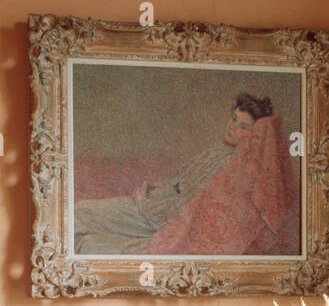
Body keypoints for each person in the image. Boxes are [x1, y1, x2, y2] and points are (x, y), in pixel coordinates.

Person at [72, 93, 291, 255]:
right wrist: (156, 189)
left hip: (158, 217)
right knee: (80, 215)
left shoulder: (231, 167)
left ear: (255, 137)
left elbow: (182, 209)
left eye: (243, 126)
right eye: (233, 118)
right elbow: (184, 181)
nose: (232, 127)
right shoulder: (222, 150)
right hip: (158, 203)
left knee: (81, 217)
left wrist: (143, 202)